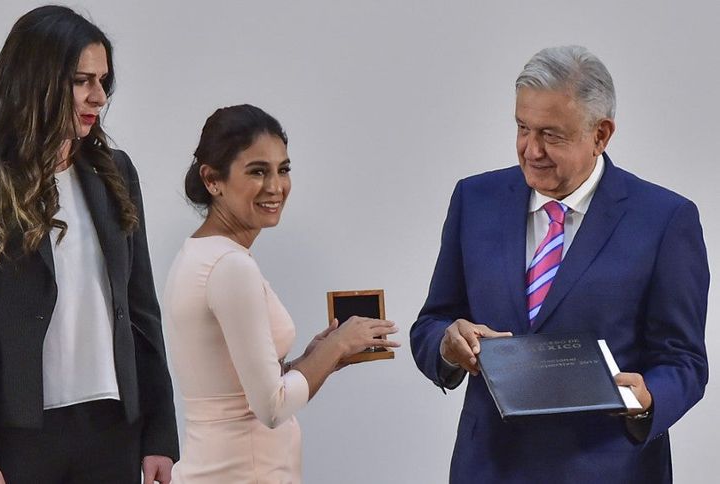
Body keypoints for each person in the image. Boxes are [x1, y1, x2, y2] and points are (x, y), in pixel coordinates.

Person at [410, 45, 709, 483]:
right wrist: (447, 345)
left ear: (601, 135)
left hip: (608, 468)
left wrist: (648, 398)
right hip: (488, 467)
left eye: (551, 135)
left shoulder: (664, 220)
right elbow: (431, 322)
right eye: (522, 128)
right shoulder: (475, 200)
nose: (531, 150)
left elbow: (684, 361)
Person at [0, 6, 178, 483]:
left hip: (113, 428)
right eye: (82, 81)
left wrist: (161, 431)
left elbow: (142, 310)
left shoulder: (115, 172)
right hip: (18, 435)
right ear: (35, 79)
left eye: (103, 81)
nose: (99, 96)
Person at [163, 104, 400, 483]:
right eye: (258, 171)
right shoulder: (231, 266)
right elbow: (272, 407)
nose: (275, 187)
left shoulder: (199, 254)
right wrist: (336, 346)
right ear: (212, 180)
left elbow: (236, 392)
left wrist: (316, 358)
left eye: (283, 170)